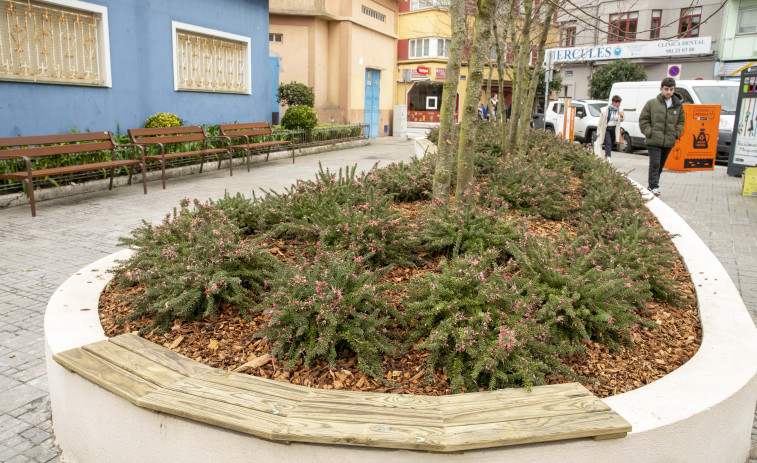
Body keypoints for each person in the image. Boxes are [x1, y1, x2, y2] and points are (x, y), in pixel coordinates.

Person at [639, 77, 685, 197]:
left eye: (671, 89)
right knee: (654, 163)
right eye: (666, 89)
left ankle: (652, 185)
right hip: (653, 140)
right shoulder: (651, 103)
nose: (668, 92)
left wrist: (677, 133)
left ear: (674, 89)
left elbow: (681, 121)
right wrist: (649, 132)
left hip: (668, 140)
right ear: (661, 89)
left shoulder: (678, 106)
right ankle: (654, 187)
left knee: (660, 165)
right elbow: (643, 119)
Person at [596, 95, 624, 163]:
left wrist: (621, 115)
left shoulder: (620, 110)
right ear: (614, 102)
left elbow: (622, 120)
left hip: (614, 129)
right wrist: (598, 131)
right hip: (607, 128)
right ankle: (608, 158)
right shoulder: (606, 110)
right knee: (608, 142)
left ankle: (606, 156)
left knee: (612, 142)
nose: (619, 104)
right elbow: (600, 122)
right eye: (618, 103)